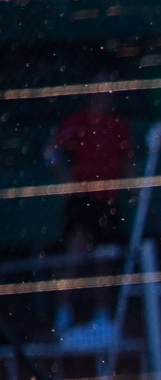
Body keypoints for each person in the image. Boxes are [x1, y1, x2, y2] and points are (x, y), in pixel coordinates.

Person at [44, 91, 134, 345]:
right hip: (83, 201)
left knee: (104, 261)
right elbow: (51, 151)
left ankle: (103, 319)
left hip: (109, 202)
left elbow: (128, 164)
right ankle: (63, 318)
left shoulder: (119, 126)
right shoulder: (77, 122)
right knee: (75, 256)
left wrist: (137, 195)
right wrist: (66, 181)